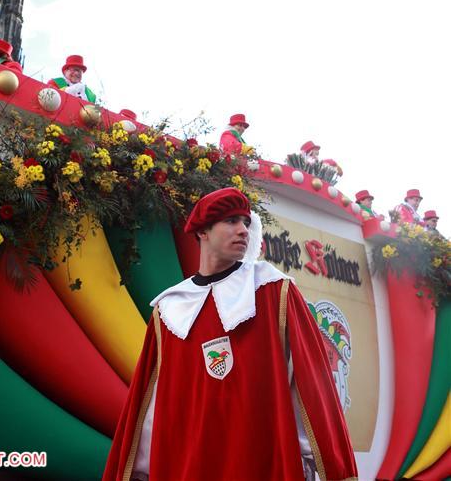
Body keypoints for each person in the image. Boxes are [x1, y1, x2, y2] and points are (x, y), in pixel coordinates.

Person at [102, 188, 358, 481]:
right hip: (186, 465)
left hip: (259, 462)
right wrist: (139, 471)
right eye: (231, 221)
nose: (243, 231)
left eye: (246, 223)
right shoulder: (169, 311)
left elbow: (311, 385)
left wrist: (325, 462)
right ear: (203, 232)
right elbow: (150, 406)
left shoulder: (274, 290)